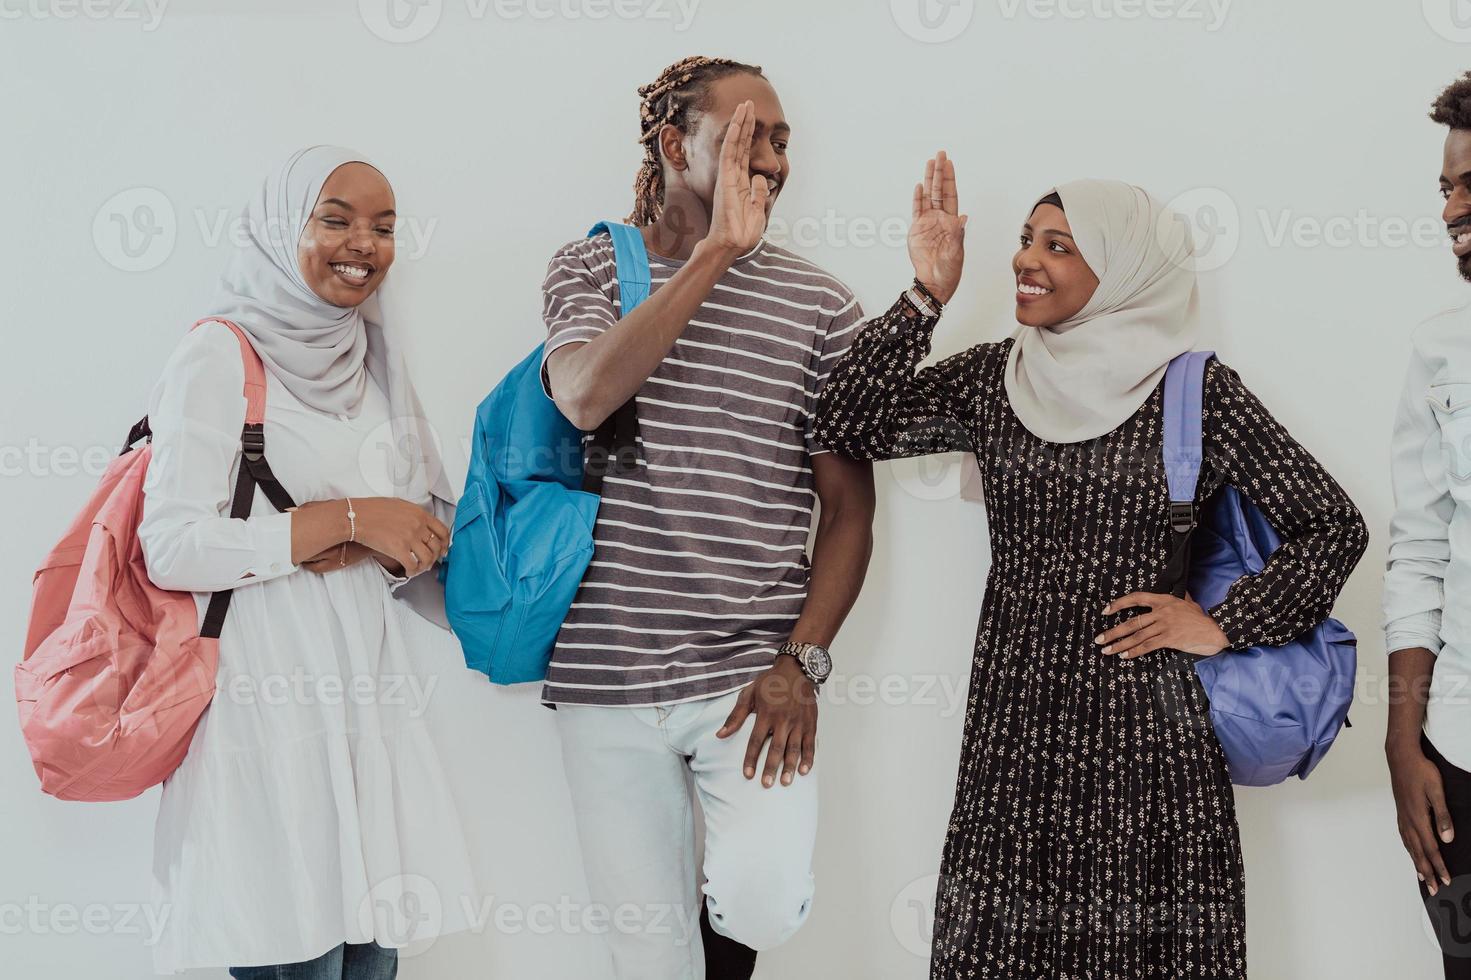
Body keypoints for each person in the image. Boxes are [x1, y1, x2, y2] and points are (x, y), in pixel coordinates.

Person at [814, 178, 1368, 978]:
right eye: (1026, 239)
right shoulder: (995, 378)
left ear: (1125, 270)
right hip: (1017, 721)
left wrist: (1221, 623)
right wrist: (925, 295)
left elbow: (1332, 526)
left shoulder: (1194, 391)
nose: (1023, 260)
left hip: (1147, 729)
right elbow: (845, 423)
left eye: (1057, 246)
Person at [538, 55, 964, 979]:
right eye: (746, 136)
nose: (770, 158)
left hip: (749, 675)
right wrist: (715, 255)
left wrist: (802, 661)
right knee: (648, 957)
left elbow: (849, 509)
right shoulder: (587, 266)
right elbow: (581, 395)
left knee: (765, 901)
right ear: (671, 144)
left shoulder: (818, 306)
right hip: (606, 673)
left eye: (781, 140)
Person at [138, 145, 478, 978]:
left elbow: (406, 534)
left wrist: (367, 540)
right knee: (294, 954)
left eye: (384, 227)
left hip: (365, 707)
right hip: (264, 711)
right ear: (280, 227)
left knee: (370, 962)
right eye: (335, 219)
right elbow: (171, 545)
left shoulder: (370, 359)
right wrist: (340, 520)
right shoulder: (220, 354)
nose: (363, 243)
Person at [1384, 70, 1471, 978]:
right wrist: (1401, 741)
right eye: (1445, 187)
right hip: (1460, 755)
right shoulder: (1439, 349)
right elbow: (1417, 553)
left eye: (1468, 183)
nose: (1451, 207)